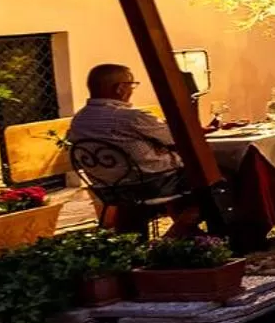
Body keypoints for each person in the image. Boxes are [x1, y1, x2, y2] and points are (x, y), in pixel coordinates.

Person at [66, 64, 199, 236]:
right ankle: (179, 233)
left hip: (110, 188)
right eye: (132, 85)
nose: (132, 90)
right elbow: (178, 138)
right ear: (120, 88)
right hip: (150, 184)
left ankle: (173, 236)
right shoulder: (130, 117)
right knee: (215, 178)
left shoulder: (79, 119)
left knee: (183, 178)